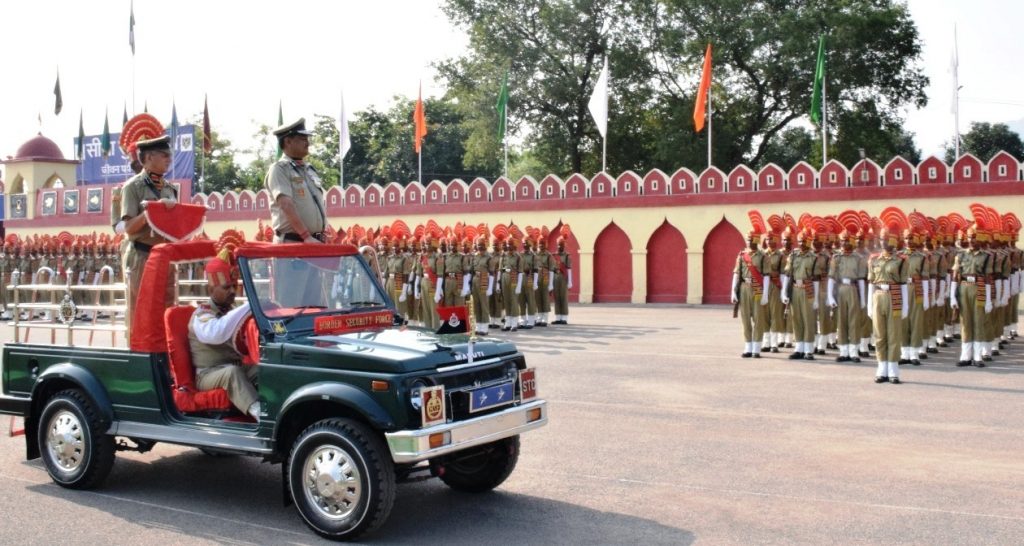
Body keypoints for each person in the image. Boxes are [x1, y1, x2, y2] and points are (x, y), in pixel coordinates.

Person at [189, 250, 260, 419]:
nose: (233, 291)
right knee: (232, 373)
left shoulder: (232, 311)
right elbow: (216, 333)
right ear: (211, 288)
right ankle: (260, 414)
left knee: (263, 367)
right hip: (207, 374)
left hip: (234, 365)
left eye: (235, 286)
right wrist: (251, 305)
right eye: (226, 287)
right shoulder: (202, 314)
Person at [120, 134, 179, 326]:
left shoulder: (170, 188)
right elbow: (128, 228)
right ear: (148, 157)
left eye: (170, 155)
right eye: (164, 155)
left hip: (165, 256)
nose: (169, 159)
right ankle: (138, 353)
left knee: (167, 307)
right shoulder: (132, 187)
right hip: (142, 255)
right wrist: (152, 213)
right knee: (140, 308)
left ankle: (163, 350)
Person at [265, 118, 326, 244]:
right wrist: (306, 236)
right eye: (303, 139)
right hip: (292, 242)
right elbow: (286, 205)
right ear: (288, 141)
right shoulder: (279, 169)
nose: (308, 143)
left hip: (313, 242)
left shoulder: (309, 169)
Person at [867, 227, 908, 384]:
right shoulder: (874, 259)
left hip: (894, 296)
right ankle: (881, 368)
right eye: (883, 239)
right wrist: (870, 305)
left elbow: (903, 283)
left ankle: (893, 370)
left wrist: (905, 307)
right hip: (878, 296)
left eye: (888, 239)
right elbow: (871, 283)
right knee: (879, 335)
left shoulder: (901, 260)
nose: (885, 243)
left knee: (893, 334)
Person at [951, 226, 993, 367]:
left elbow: (988, 278)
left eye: (975, 238)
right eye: (970, 237)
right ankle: (965, 356)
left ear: (980, 239)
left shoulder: (986, 256)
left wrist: (988, 300)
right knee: (965, 322)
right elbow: (955, 276)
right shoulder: (961, 255)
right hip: (963, 288)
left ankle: (978, 356)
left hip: (979, 288)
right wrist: (952, 296)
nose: (972, 241)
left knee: (978, 321)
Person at [828, 229, 867, 362]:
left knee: (854, 321)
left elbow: (861, 279)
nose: (844, 243)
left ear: (851, 241)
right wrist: (830, 296)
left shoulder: (858, 258)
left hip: (853, 289)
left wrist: (863, 299)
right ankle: (843, 351)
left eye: (847, 240)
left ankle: (854, 351)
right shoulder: (836, 257)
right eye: (842, 240)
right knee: (841, 320)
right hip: (840, 289)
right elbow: (831, 278)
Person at [781, 230, 818, 360]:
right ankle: (799, 348)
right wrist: (784, 292)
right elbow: (787, 274)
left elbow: (816, 279)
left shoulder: (814, 257)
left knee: (808, 320)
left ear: (809, 242)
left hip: (808, 289)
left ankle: (808, 350)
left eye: (804, 241)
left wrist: (816, 298)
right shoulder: (793, 255)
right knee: (796, 319)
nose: (801, 243)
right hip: (795, 289)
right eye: (800, 241)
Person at [732, 228, 769, 357]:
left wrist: (765, 294)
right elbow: (737, 273)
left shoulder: (763, 256)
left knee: (758, 318)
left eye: (751, 240)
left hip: (758, 287)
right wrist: (733, 291)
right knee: (745, 318)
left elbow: (766, 276)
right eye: (747, 239)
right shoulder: (742, 255)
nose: (748, 242)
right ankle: (748, 346)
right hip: (744, 287)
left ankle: (757, 348)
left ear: (757, 240)